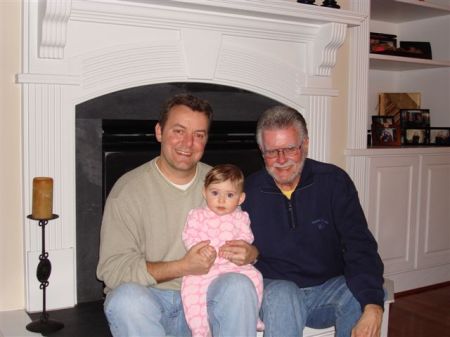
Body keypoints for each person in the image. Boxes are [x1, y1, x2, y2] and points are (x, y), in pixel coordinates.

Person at [96, 94, 260, 337]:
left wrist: (251, 253)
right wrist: (183, 267)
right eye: (179, 131)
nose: (188, 143)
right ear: (159, 131)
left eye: (199, 135)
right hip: (152, 300)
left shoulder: (219, 184)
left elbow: (241, 236)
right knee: (125, 300)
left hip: (206, 297)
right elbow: (112, 270)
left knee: (239, 285)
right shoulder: (129, 189)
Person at [240, 105, 385, 337]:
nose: (281, 160)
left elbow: (359, 244)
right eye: (271, 152)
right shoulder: (247, 192)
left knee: (359, 295)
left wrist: (373, 305)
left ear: (305, 144)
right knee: (283, 294)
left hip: (327, 290)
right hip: (274, 291)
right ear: (261, 150)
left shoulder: (334, 182)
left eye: (289, 149)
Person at [181, 164, 264, 337]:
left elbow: (247, 237)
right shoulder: (197, 215)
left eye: (229, 195)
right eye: (215, 193)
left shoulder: (241, 217)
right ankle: (200, 330)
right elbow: (189, 235)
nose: (221, 200)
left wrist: (239, 246)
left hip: (232, 265)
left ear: (240, 199)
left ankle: (252, 315)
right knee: (191, 289)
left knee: (256, 277)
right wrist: (199, 249)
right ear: (204, 193)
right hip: (205, 267)